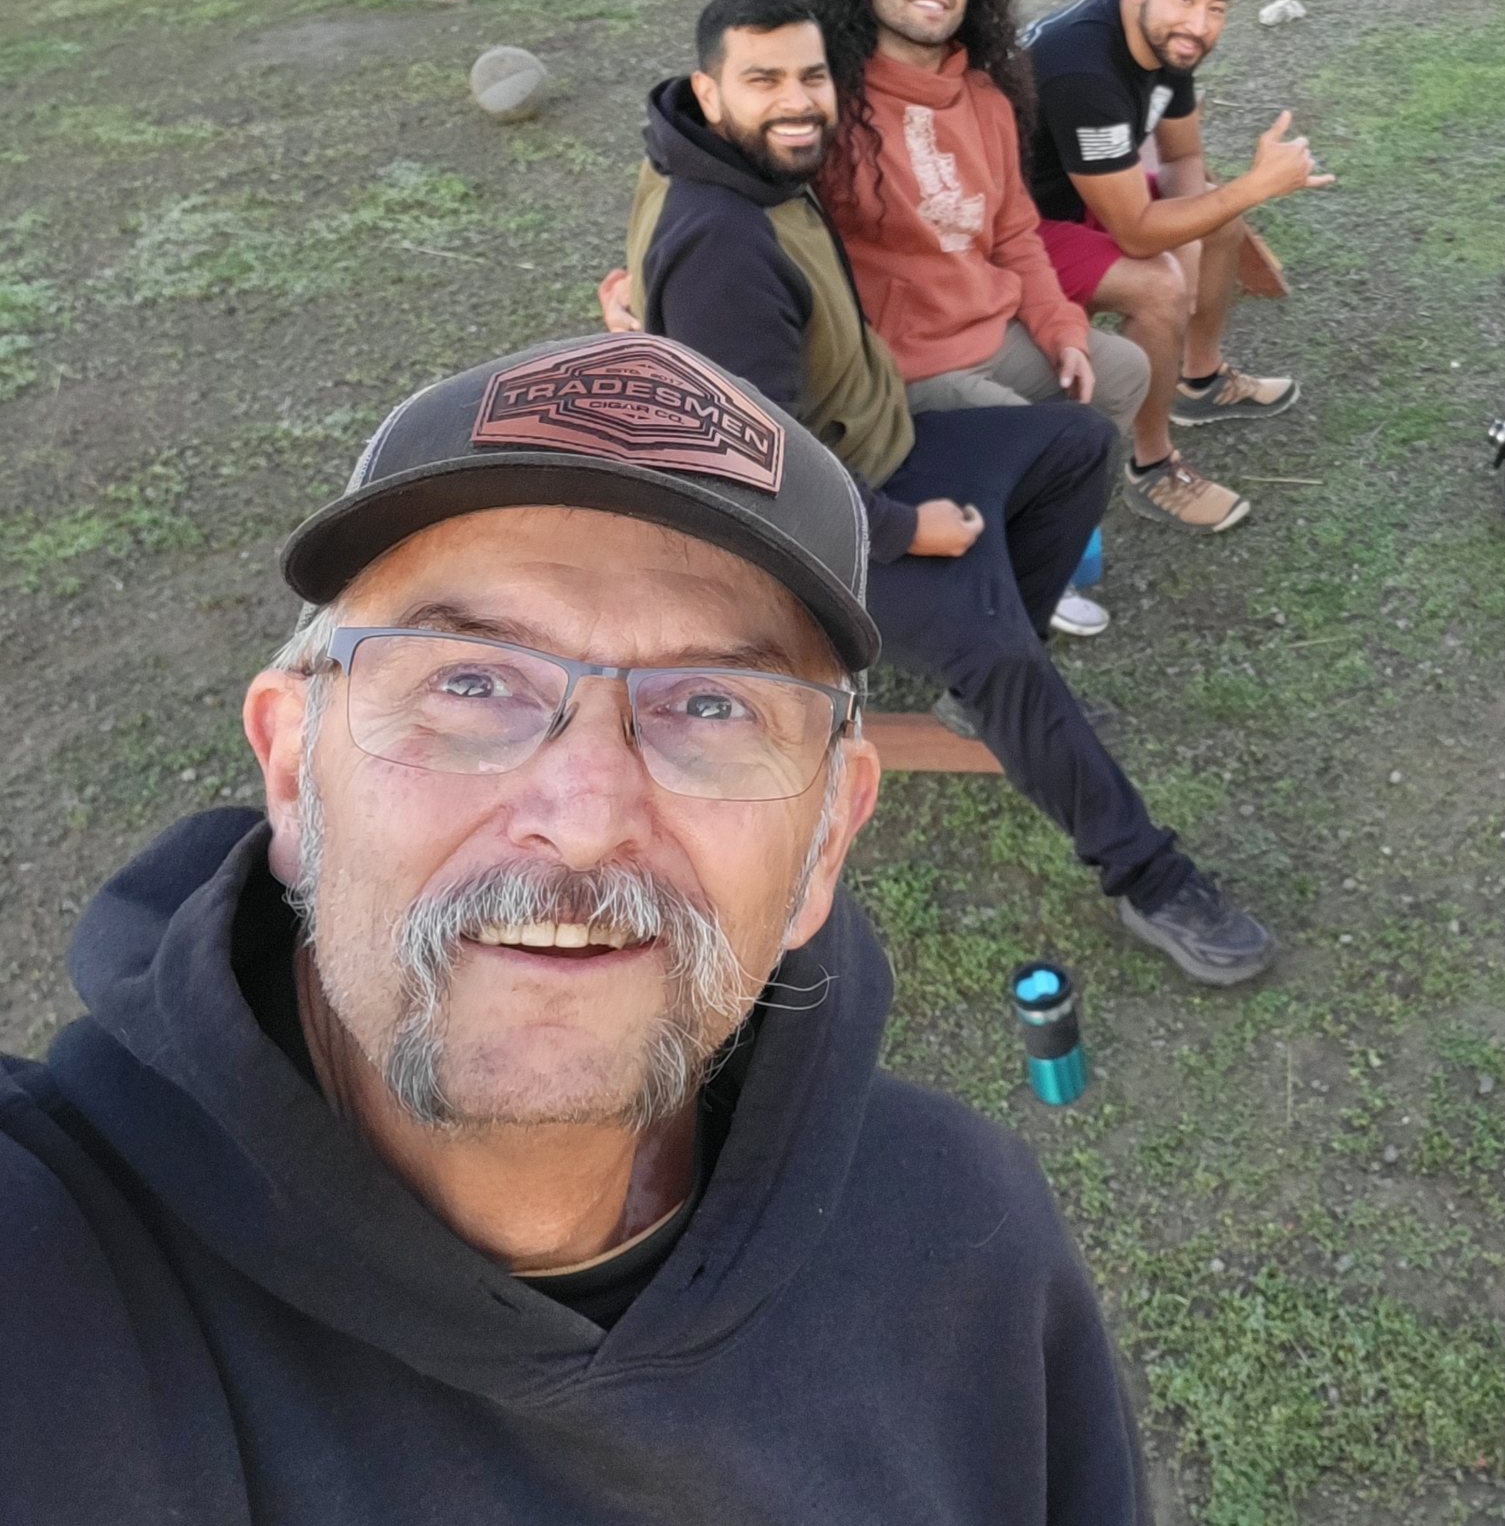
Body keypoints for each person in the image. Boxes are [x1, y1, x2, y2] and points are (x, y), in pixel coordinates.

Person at [0, 330, 1150, 1521]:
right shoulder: (50, 1279)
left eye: (710, 704)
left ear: (825, 841)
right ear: (294, 771)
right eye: (469, 681)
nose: (586, 820)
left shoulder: (968, 1251)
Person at [620, 0, 1276, 985]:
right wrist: (900, 531)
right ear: (709, 92)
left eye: (810, 76)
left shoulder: (743, 161)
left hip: (872, 451)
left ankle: (986, 683)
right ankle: (1147, 877)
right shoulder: (721, 239)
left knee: (1072, 445)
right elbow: (756, 469)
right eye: (763, 80)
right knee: (998, 647)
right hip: (803, 536)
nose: (796, 100)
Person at [800, 0, 1152, 499]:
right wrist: (637, 285)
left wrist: (1060, 329)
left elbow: (1016, 234)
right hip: (901, 364)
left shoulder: (986, 98)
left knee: (1122, 372)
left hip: (991, 330)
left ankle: (1050, 534)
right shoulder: (829, 104)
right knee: (1037, 444)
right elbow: (735, 200)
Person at [1025, 0, 1330, 532]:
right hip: (1013, 228)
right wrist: (1251, 188)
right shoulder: (1081, 65)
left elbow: (1183, 157)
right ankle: (1152, 465)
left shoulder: (1168, 43)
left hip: (1084, 189)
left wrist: (1196, 233)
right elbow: (1136, 231)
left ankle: (1200, 379)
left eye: (1217, 8)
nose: (1200, 25)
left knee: (1218, 218)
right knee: (1158, 288)